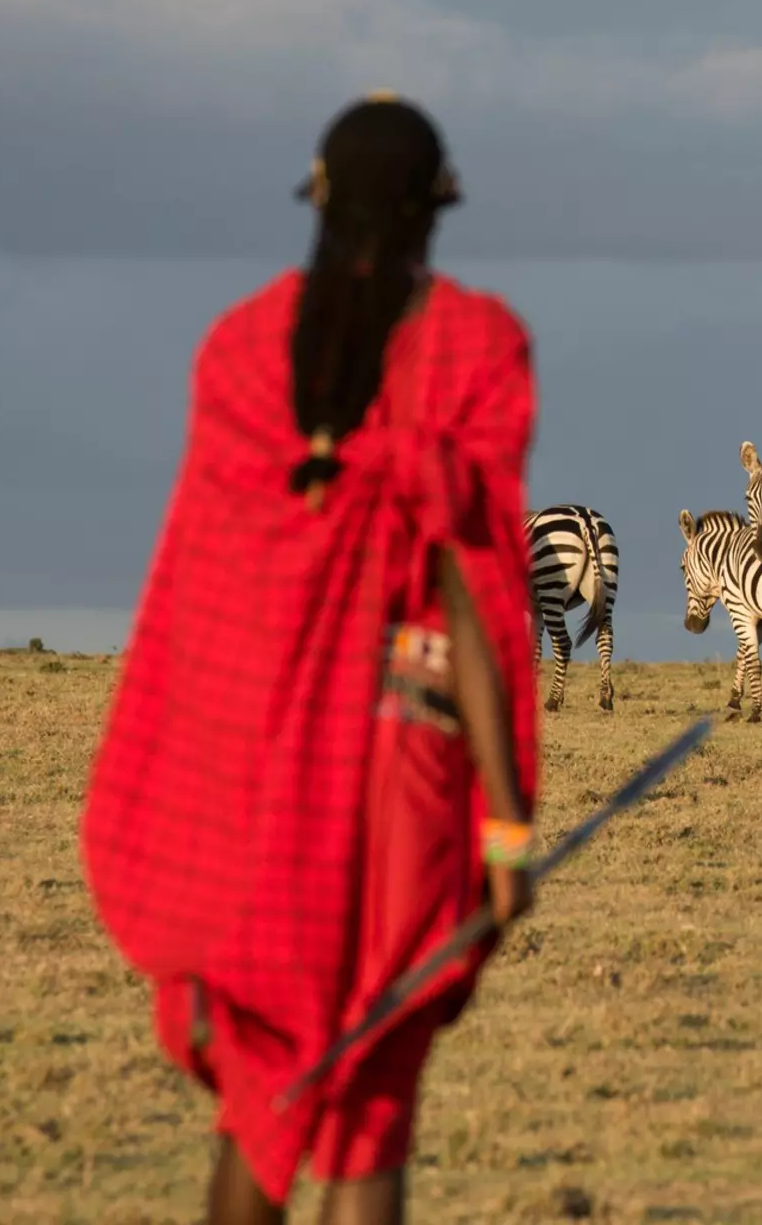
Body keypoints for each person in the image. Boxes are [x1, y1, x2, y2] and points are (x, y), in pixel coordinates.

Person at [80, 95, 543, 1224]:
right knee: (371, 1096)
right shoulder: (476, 346)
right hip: (409, 784)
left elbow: (209, 593)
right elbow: (471, 592)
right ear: (440, 203)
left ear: (320, 198)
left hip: (247, 778)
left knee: (260, 1090)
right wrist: (506, 820)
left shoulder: (238, 349)